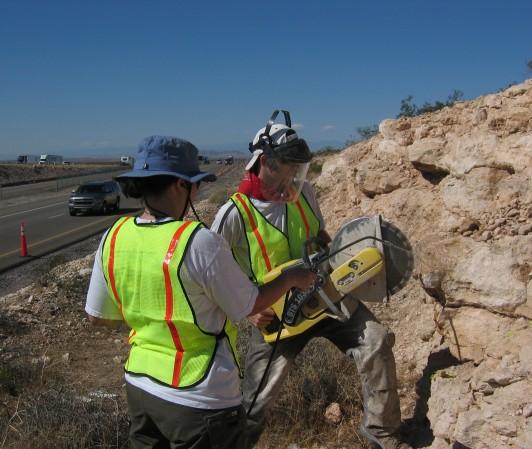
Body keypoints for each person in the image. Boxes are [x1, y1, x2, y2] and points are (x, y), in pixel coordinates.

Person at [84, 135, 315, 449]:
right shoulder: (198, 242)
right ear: (181, 185)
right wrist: (290, 278)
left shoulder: (114, 235)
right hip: (200, 396)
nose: (197, 190)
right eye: (195, 184)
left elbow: (97, 317)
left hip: (140, 387)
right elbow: (251, 303)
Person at [211, 111, 411, 449]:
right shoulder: (234, 213)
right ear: (264, 161)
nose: (292, 174)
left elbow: (321, 236)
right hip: (276, 316)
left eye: (296, 167)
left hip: (325, 294)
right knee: (256, 399)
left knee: (375, 340)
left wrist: (344, 264)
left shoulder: (303, 193)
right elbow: (211, 271)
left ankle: (383, 434)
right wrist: (247, 310)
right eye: (286, 165)